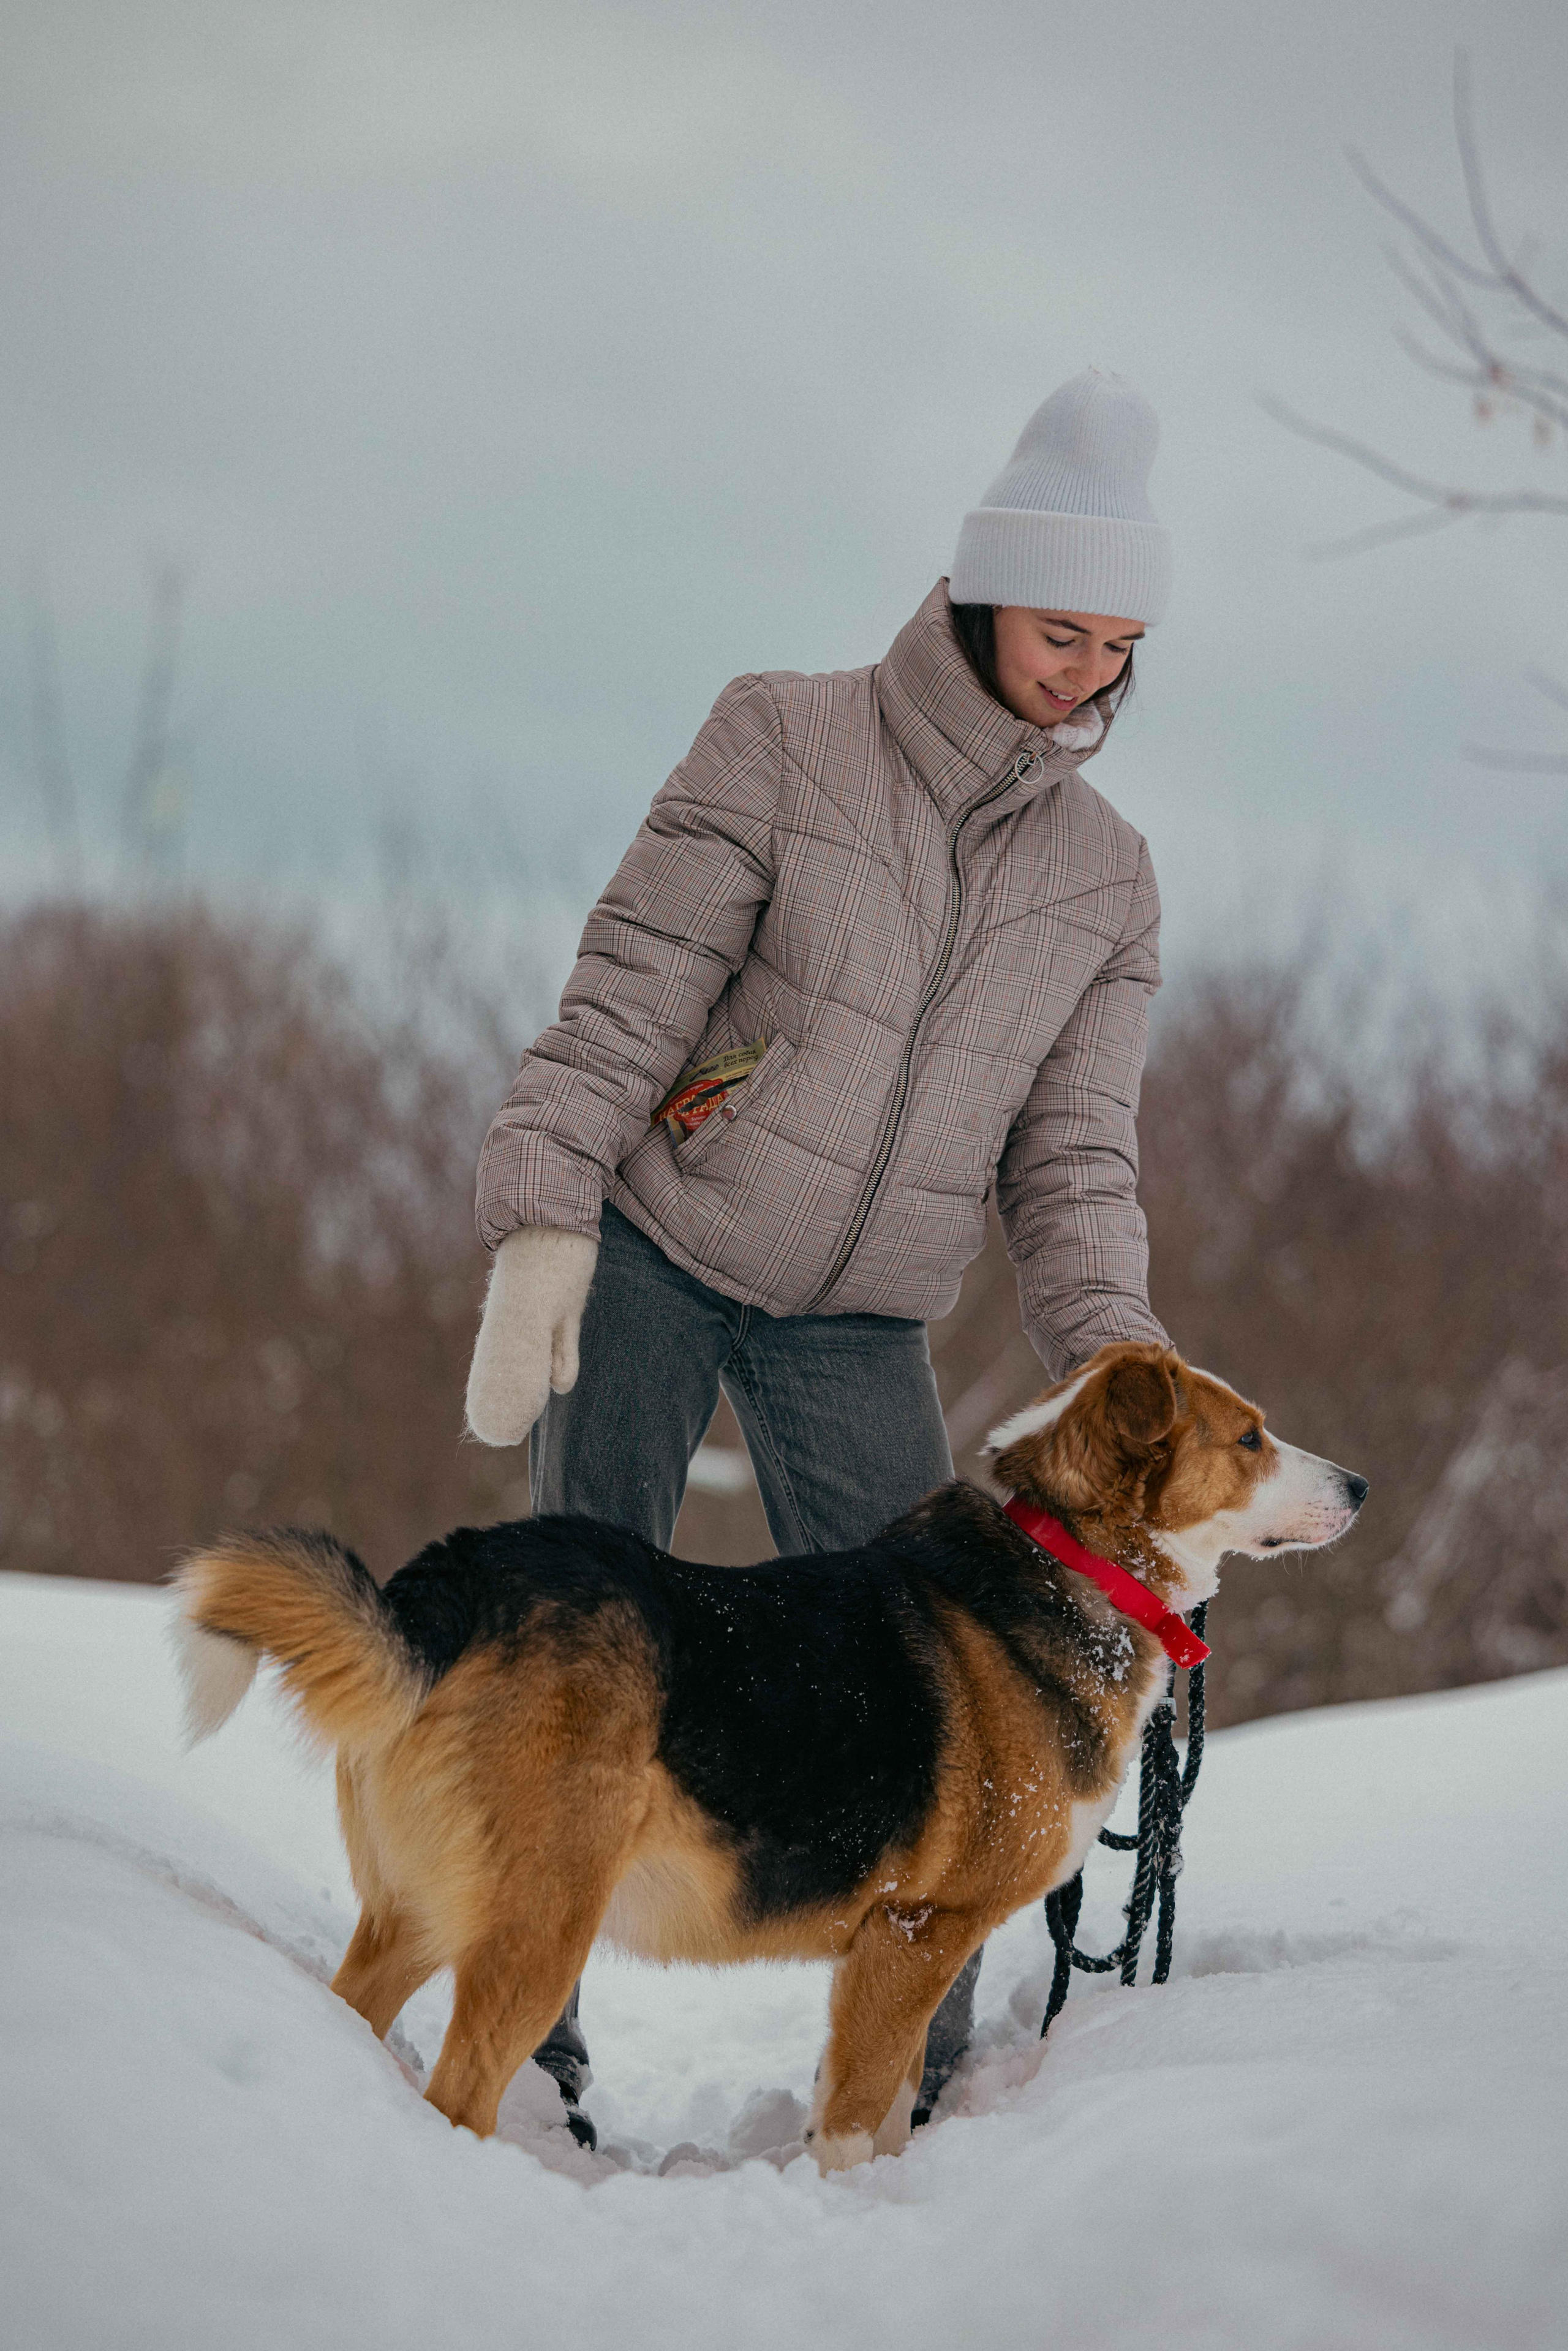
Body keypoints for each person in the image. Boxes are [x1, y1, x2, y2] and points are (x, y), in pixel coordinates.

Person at [466, 368, 1174, 2151]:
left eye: (1119, 644)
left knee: (942, 1673)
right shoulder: (783, 736)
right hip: (663, 1237)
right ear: (981, 595)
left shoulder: (1106, 880)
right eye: (1062, 631)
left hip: (865, 1317)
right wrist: (547, 1209)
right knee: (581, 1631)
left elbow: (1075, 1157)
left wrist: (1129, 1372)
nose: (1086, 673)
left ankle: (918, 2079)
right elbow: (635, 983)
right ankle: (520, 2034)